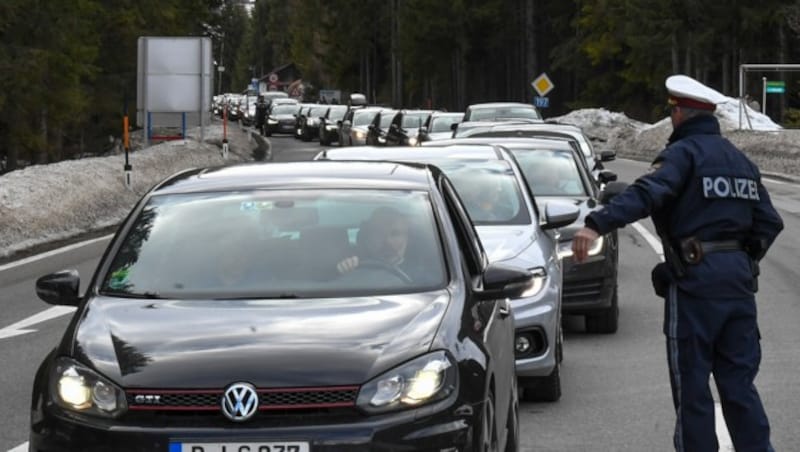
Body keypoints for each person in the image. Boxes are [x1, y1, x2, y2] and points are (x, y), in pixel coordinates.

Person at [571, 74, 783, 451]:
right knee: (738, 385)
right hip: (738, 285)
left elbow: (649, 192)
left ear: (681, 114)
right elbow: (770, 222)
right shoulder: (742, 161)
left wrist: (596, 224)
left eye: (672, 112)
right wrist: (740, 257)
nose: (671, 119)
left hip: (695, 285)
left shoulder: (683, 155)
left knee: (693, 387)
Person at [336, 207, 412, 281]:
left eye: (395, 234)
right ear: (368, 236)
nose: (387, 241)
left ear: (406, 237)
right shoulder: (353, 263)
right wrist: (345, 272)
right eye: (379, 233)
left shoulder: (421, 274)